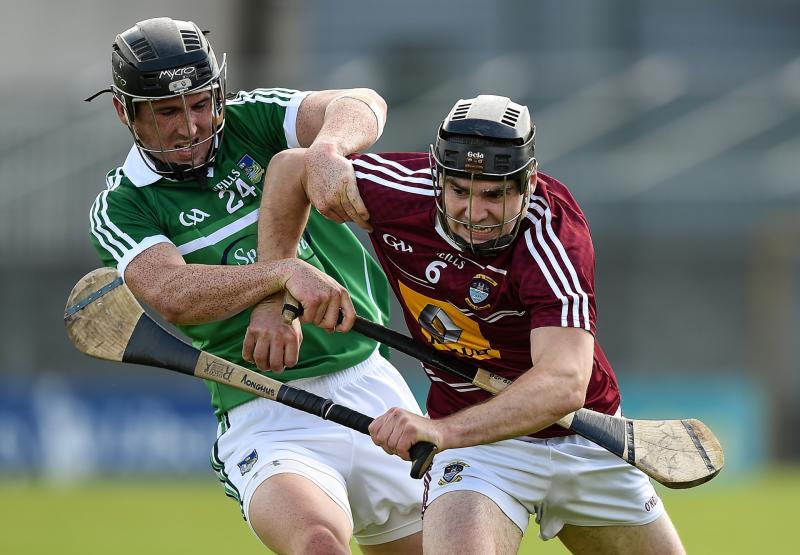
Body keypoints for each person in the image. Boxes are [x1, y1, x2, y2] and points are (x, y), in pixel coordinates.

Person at [250, 95, 687, 554]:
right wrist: (274, 292)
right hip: (482, 452)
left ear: (528, 183)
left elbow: (563, 383)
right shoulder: (401, 192)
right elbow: (290, 169)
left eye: (495, 195)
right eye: (460, 191)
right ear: (438, 178)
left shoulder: (552, 236)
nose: (475, 214)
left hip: (581, 437)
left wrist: (443, 432)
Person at [86, 17, 424, 555]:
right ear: (125, 112)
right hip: (265, 408)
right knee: (317, 544)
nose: (191, 127)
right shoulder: (124, 203)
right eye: (167, 112)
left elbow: (363, 102)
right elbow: (172, 291)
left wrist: (327, 152)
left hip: (373, 381)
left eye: (200, 104)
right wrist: (282, 275)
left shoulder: (253, 118)